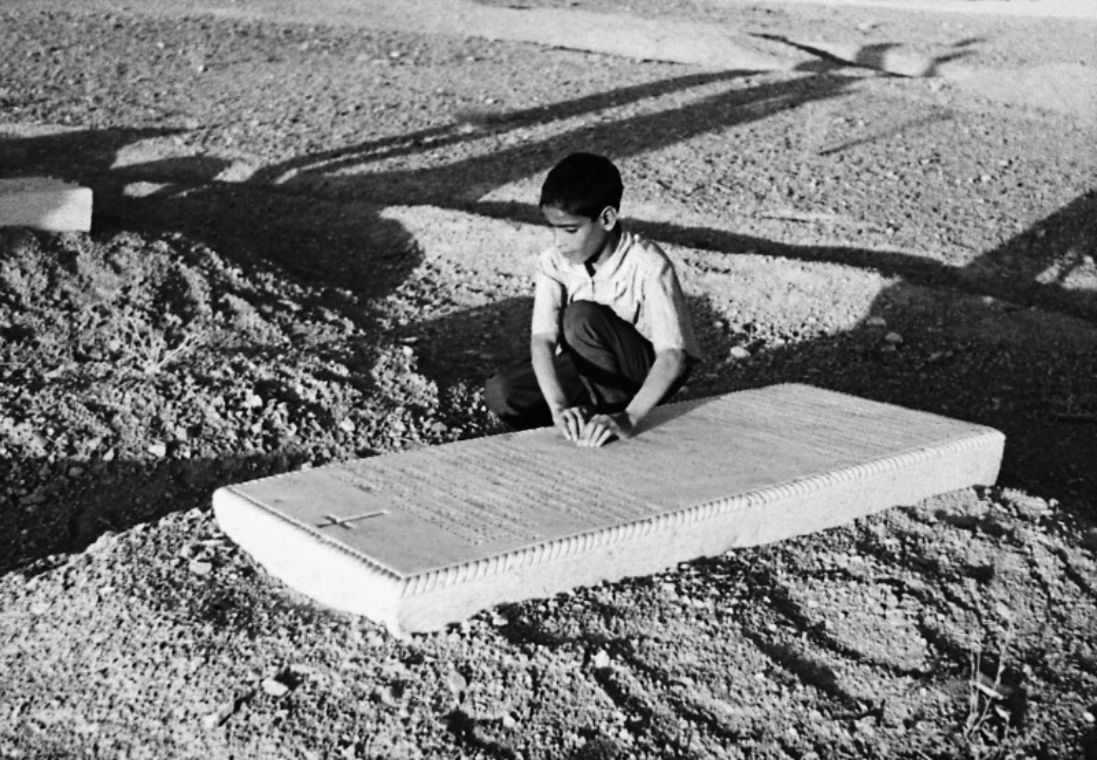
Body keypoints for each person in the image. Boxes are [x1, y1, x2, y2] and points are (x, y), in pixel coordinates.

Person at [485, 152, 701, 447]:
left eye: (571, 230)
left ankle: (610, 415)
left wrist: (630, 418)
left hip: (644, 371)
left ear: (607, 219)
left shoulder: (648, 264)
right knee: (504, 392)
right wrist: (558, 407)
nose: (560, 241)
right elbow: (543, 340)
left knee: (580, 316)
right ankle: (582, 416)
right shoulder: (553, 262)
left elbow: (673, 357)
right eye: (554, 229)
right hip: (589, 364)